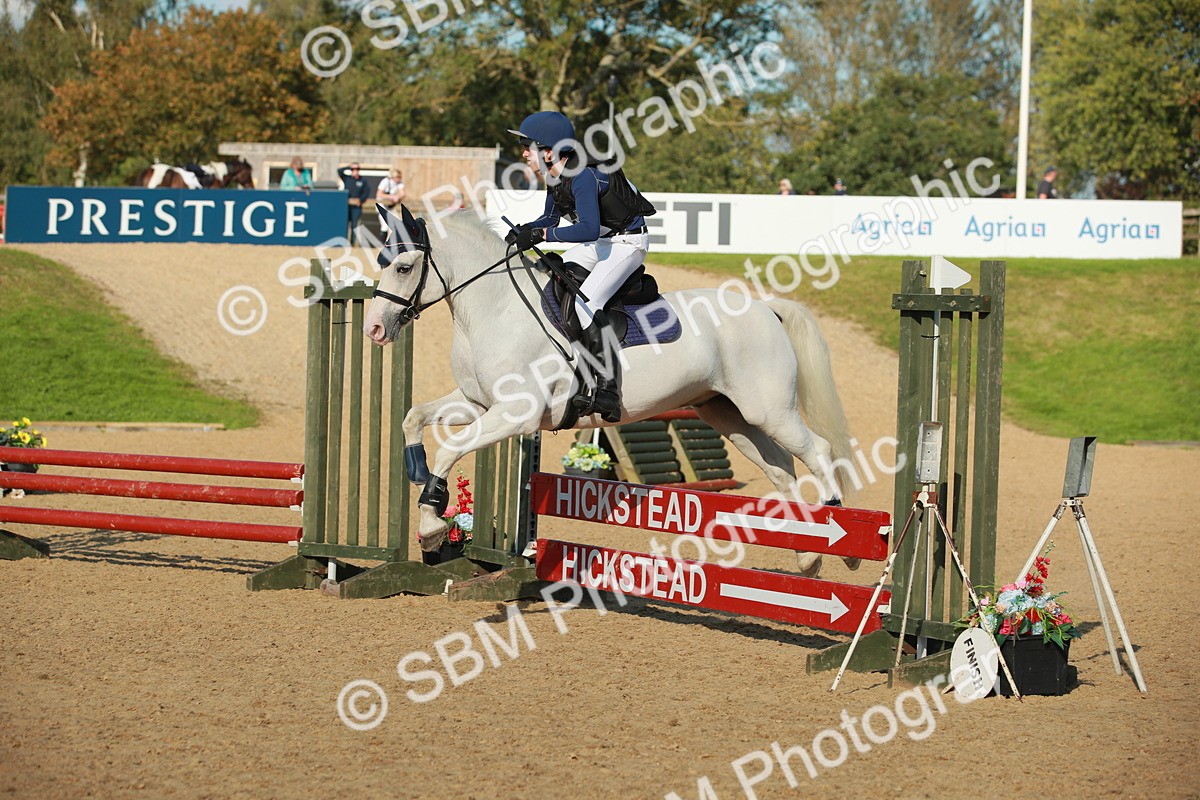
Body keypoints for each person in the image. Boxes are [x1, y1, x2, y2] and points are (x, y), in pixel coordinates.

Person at [505, 110, 655, 423]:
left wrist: (543, 235)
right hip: (602, 243)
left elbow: (586, 228)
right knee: (559, 280)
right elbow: (550, 219)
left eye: (528, 146)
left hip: (627, 244)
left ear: (549, 152)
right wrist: (525, 229)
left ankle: (608, 390)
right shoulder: (555, 175)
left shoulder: (583, 176)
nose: (523, 153)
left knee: (589, 303)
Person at [338, 163, 371, 245]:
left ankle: (352, 243)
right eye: (353, 169)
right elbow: (339, 171)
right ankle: (343, 242)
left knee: (354, 225)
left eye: (357, 169)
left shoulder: (363, 180)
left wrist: (361, 200)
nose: (355, 171)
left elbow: (366, 192)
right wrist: (349, 166)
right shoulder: (347, 178)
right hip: (346, 206)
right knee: (344, 224)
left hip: (356, 207)